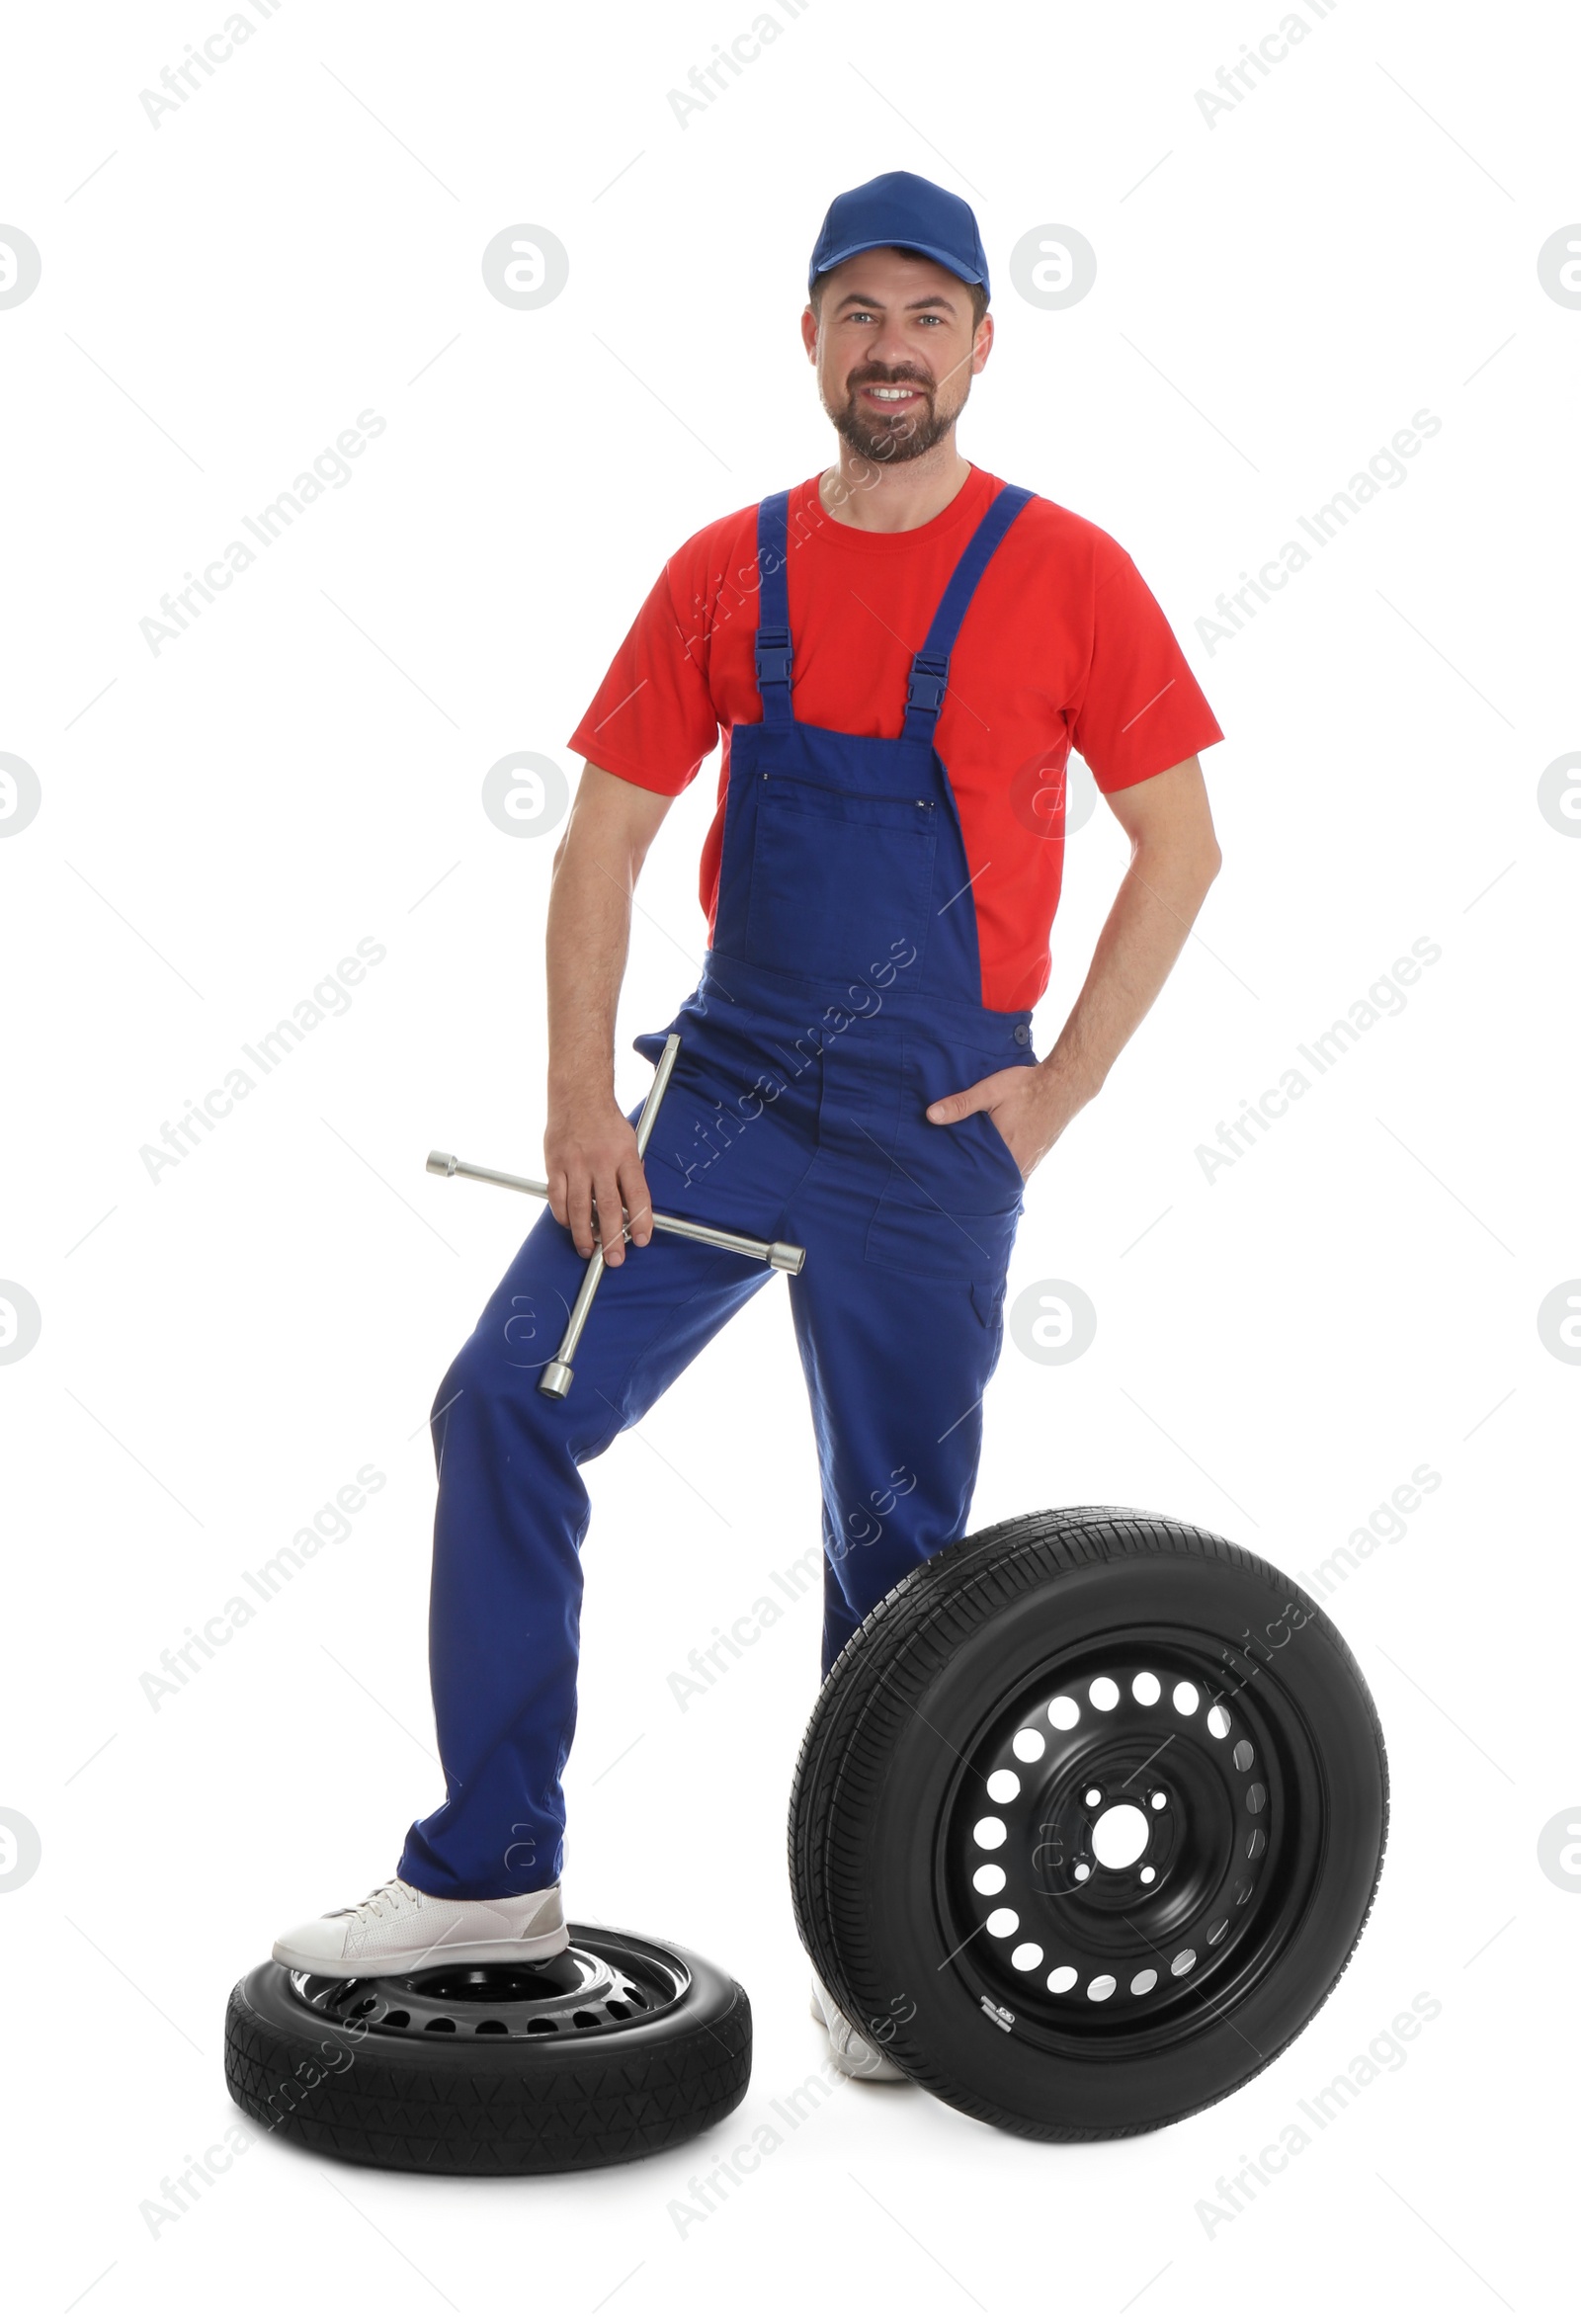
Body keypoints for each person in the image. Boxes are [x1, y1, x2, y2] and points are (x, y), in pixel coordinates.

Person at [274, 172, 1224, 2079]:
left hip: (931, 1140)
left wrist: (1056, 1094)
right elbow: (606, 832)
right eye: (858, 312)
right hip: (717, 1109)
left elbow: (1182, 844)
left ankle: (883, 1954)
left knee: (898, 1553)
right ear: (809, 337)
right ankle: (490, 1866)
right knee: (505, 1407)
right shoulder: (732, 569)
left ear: (981, 343)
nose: (892, 349)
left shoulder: (1073, 573)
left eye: (928, 315)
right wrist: (577, 1110)